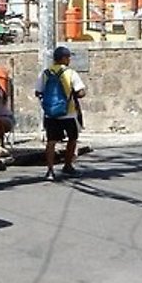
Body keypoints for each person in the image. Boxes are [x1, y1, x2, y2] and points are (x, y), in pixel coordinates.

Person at [35, 46, 87, 181]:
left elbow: (38, 92)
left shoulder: (45, 73)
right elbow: (81, 92)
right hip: (68, 113)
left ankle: (50, 170)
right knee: (72, 139)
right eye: (68, 57)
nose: (69, 59)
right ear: (63, 58)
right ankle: (68, 165)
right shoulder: (70, 73)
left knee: (51, 142)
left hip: (50, 114)